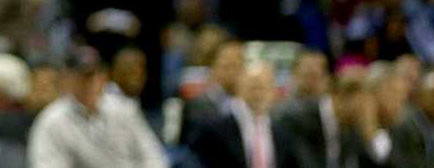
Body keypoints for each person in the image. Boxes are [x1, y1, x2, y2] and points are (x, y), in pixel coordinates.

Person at [27, 46, 167, 168]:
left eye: (94, 76)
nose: (90, 83)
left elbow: (154, 157)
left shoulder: (124, 110)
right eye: (83, 77)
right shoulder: (52, 120)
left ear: (104, 77)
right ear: (69, 79)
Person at [192, 60, 300, 168]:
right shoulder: (215, 129)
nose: (258, 94)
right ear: (239, 88)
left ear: (273, 92)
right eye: (253, 87)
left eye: (263, 88)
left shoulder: (283, 132)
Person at [273, 50, 337, 168]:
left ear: (327, 77)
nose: (313, 77)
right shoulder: (283, 113)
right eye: (308, 74)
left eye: (318, 73)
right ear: (294, 75)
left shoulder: (336, 111)